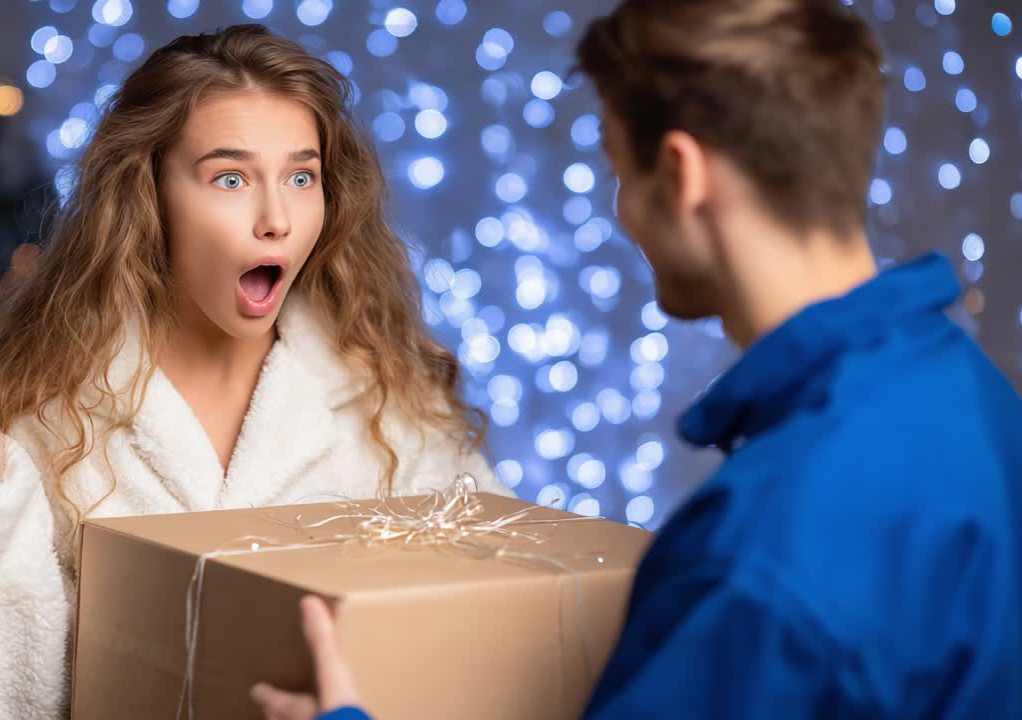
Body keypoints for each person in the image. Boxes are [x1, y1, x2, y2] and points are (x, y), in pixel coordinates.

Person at [252, 1, 1022, 718]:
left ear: (681, 174)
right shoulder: (974, 395)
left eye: (620, 168)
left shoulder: (757, 558)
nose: (621, 210)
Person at [0, 24, 511, 720]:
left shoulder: (391, 409)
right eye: (231, 178)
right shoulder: (53, 420)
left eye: (302, 177)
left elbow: (489, 643)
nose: (276, 218)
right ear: (150, 196)